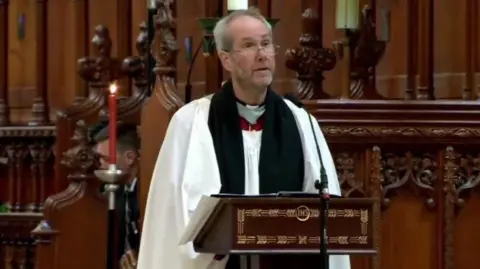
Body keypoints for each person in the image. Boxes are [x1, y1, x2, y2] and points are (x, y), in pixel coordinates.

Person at [137, 8, 350, 269]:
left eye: (266, 43)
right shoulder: (192, 123)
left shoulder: (300, 121)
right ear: (226, 59)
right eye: (248, 45)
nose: (262, 54)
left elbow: (324, 212)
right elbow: (174, 221)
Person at [90, 121, 141, 268]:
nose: (101, 165)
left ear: (130, 157)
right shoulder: (110, 190)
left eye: (105, 159)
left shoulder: (147, 190)